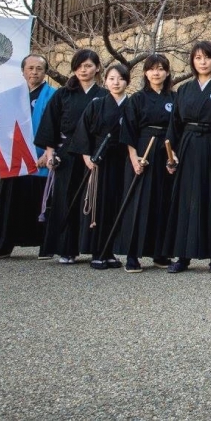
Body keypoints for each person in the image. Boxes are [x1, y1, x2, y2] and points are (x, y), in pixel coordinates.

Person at [163, 42, 211, 274]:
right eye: (198, 58)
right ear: (192, 62)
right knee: (185, 199)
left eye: (207, 57)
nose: (203, 62)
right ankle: (182, 256)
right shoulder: (184, 90)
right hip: (188, 145)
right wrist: (171, 155)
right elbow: (174, 124)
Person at [35, 49, 106, 264]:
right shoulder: (63, 94)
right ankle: (66, 248)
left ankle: (95, 247)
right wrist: (50, 153)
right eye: (79, 66)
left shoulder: (104, 95)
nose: (83, 70)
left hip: (95, 152)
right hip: (67, 152)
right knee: (66, 198)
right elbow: (50, 123)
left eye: (88, 65)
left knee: (93, 198)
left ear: (97, 68)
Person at [0, 54, 55, 260]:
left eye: (39, 68)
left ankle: (46, 245)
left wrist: (48, 151)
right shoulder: (12, 96)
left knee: (42, 202)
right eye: (30, 68)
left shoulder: (53, 95)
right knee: (11, 203)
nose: (34, 72)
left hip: (40, 157)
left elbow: (57, 125)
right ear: (23, 71)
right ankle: (4, 245)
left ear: (45, 72)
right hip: (14, 158)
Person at [115, 54, 176, 273]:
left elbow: (177, 128)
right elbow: (128, 131)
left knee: (163, 201)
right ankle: (132, 255)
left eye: (160, 69)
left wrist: (173, 156)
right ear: (145, 73)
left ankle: (160, 253)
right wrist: (134, 159)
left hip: (165, 151)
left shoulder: (174, 98)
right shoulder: (137, 99)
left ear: (167, 72)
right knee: (138, 203)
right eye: (151, 69)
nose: (156, 73)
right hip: (143, 150)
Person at [73, 64, 130, 270]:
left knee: (117, 203)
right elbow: (83, 131)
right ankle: (98, 251)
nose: (116, 83)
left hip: (122, 159)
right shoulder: (97, 104)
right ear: (105, 81)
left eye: (120, 79)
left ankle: (111, 251)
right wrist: (87, 156)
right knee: (99, 204)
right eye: (112, 78)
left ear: (127, 82)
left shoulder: (131, 105)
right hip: (99, 159)